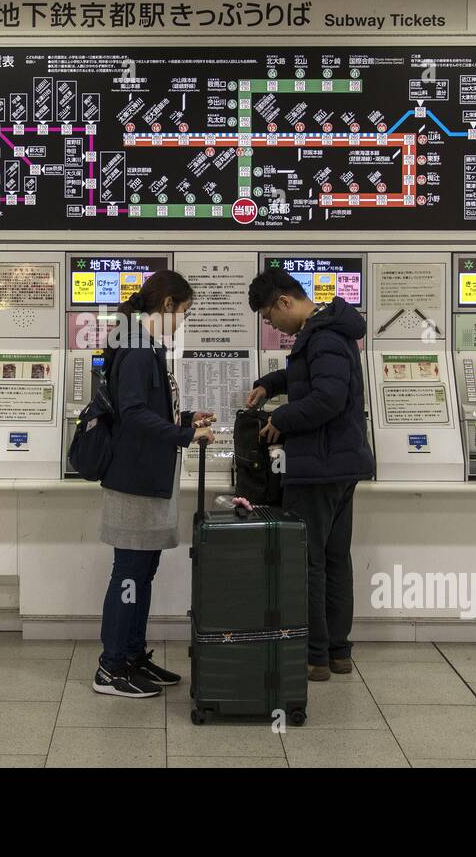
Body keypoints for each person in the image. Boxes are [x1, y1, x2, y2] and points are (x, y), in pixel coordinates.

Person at [246, 269, 374, 681]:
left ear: (284, 302)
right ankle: (337, 652)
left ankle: (314, 655)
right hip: (338, 464)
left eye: (268, 316)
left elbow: (327, 398)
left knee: (310, 562)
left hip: (318, 466)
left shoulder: (322, 337)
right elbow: (309, 379)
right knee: (335, 559)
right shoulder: (324, 334)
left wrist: (281, 418)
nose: (270, 325)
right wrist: (271, 383)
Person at [94, 270, 215, 698]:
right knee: (129, 573)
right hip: (133, 481)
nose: (181, 321)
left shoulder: (144, 346)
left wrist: (186, 419)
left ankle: (130, 656)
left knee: (142, 573)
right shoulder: (138, 349)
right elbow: (133, 414)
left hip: (146, 478)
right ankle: (110, 668)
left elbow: (149, 412)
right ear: (166, 305)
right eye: (182, 312)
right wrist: (186, 435)